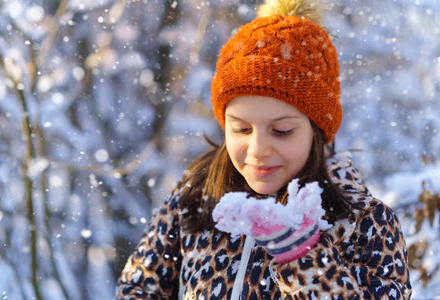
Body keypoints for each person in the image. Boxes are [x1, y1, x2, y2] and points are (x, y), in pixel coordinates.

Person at [116, 0, 412, 298]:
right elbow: (139, 287)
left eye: (281, 131)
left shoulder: (364, 221)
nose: (258, 149)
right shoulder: (195, 197)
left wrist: (302, 258)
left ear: (316, 131)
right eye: (242, 129)